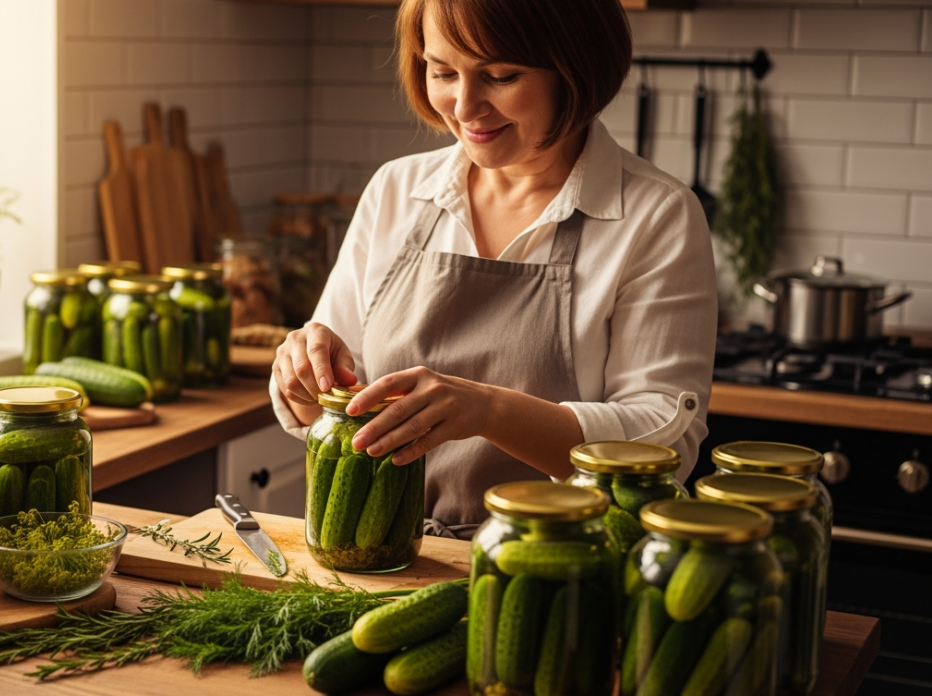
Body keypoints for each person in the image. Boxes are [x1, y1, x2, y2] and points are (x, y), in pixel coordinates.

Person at [271, 0, 718, 540]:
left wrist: (489, 411)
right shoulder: (396, 190)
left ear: (576, 68)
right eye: (442, 72)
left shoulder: (656, 214)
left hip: (558, 570)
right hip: (386, 558)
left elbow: (664, 441)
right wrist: (306, 380)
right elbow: (347, 397)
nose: (463, 106)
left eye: (500, 76)